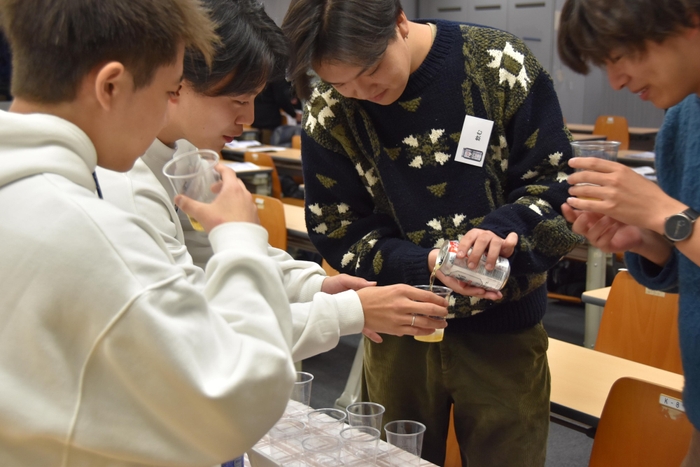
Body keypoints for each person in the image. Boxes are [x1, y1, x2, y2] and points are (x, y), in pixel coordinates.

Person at [0, 0, 302, 464]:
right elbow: (240, 399)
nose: (167, 114)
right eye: (167, 92)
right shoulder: (87, 234)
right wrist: (241, 241)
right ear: (112, 86)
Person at [282, 0, 581, 465]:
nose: (361, 90)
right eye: (340, 82)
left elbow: (558, 185)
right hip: (398, 326)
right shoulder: (329, 111)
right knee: (391, 458)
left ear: (399, 22)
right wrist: (425, 264)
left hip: (503, 333)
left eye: (371, 69)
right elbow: (337, 228)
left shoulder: (499, 63)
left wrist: (507, 229)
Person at [95, 0, 451, 361]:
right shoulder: (124, 180)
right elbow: (198, 331)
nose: (248, 117)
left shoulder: (185, 155)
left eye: (254, 100)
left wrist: (318, 288)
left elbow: (212, 251)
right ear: (178, 83)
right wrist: (349, 312)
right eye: (237, 100)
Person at [557, 0, 700, 464]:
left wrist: (664, 214)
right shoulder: (683, 120)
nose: (616, 81)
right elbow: (688, 267)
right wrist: (645, 241)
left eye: (619, 57)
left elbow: (680, 222)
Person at [252, 78, 302, 144]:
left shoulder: (259, 75)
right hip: (269, 121)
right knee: (267, 149)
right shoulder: (275, 76)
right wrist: (293, 114)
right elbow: (281, 98)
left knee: (257, 147)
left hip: (255, 119)